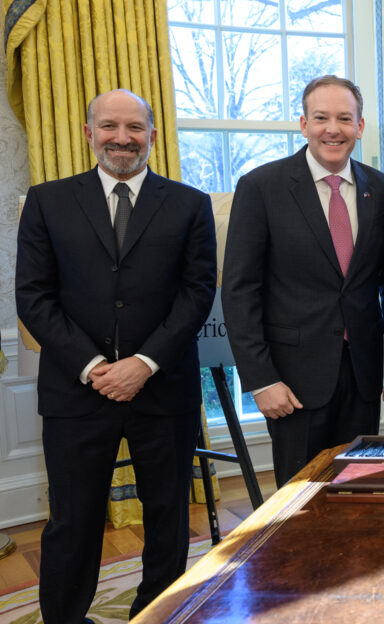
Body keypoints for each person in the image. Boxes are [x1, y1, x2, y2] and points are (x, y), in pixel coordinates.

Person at [15, 89, 217, 623]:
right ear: (89, 133)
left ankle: (158, 612)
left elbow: (197, 293)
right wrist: (94, 367)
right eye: (109, 127)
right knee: (72, 520)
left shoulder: (190, 204)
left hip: (163, 388)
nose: (122, 138)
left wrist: (143, 363)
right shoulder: (47, 201)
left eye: (134, 128)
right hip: (75, 391)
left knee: (169, 515)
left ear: (153, 135)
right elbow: (33, 297)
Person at [223, 75, 384, 487]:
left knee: (359, 491)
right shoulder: (261, 187)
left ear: (360, 126)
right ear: (303, 124)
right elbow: (239, 291)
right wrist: (262, 379)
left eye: (344, 118)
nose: (332, 129)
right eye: (321, 118)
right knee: (300, 500)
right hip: (292, 382)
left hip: (362, 376)